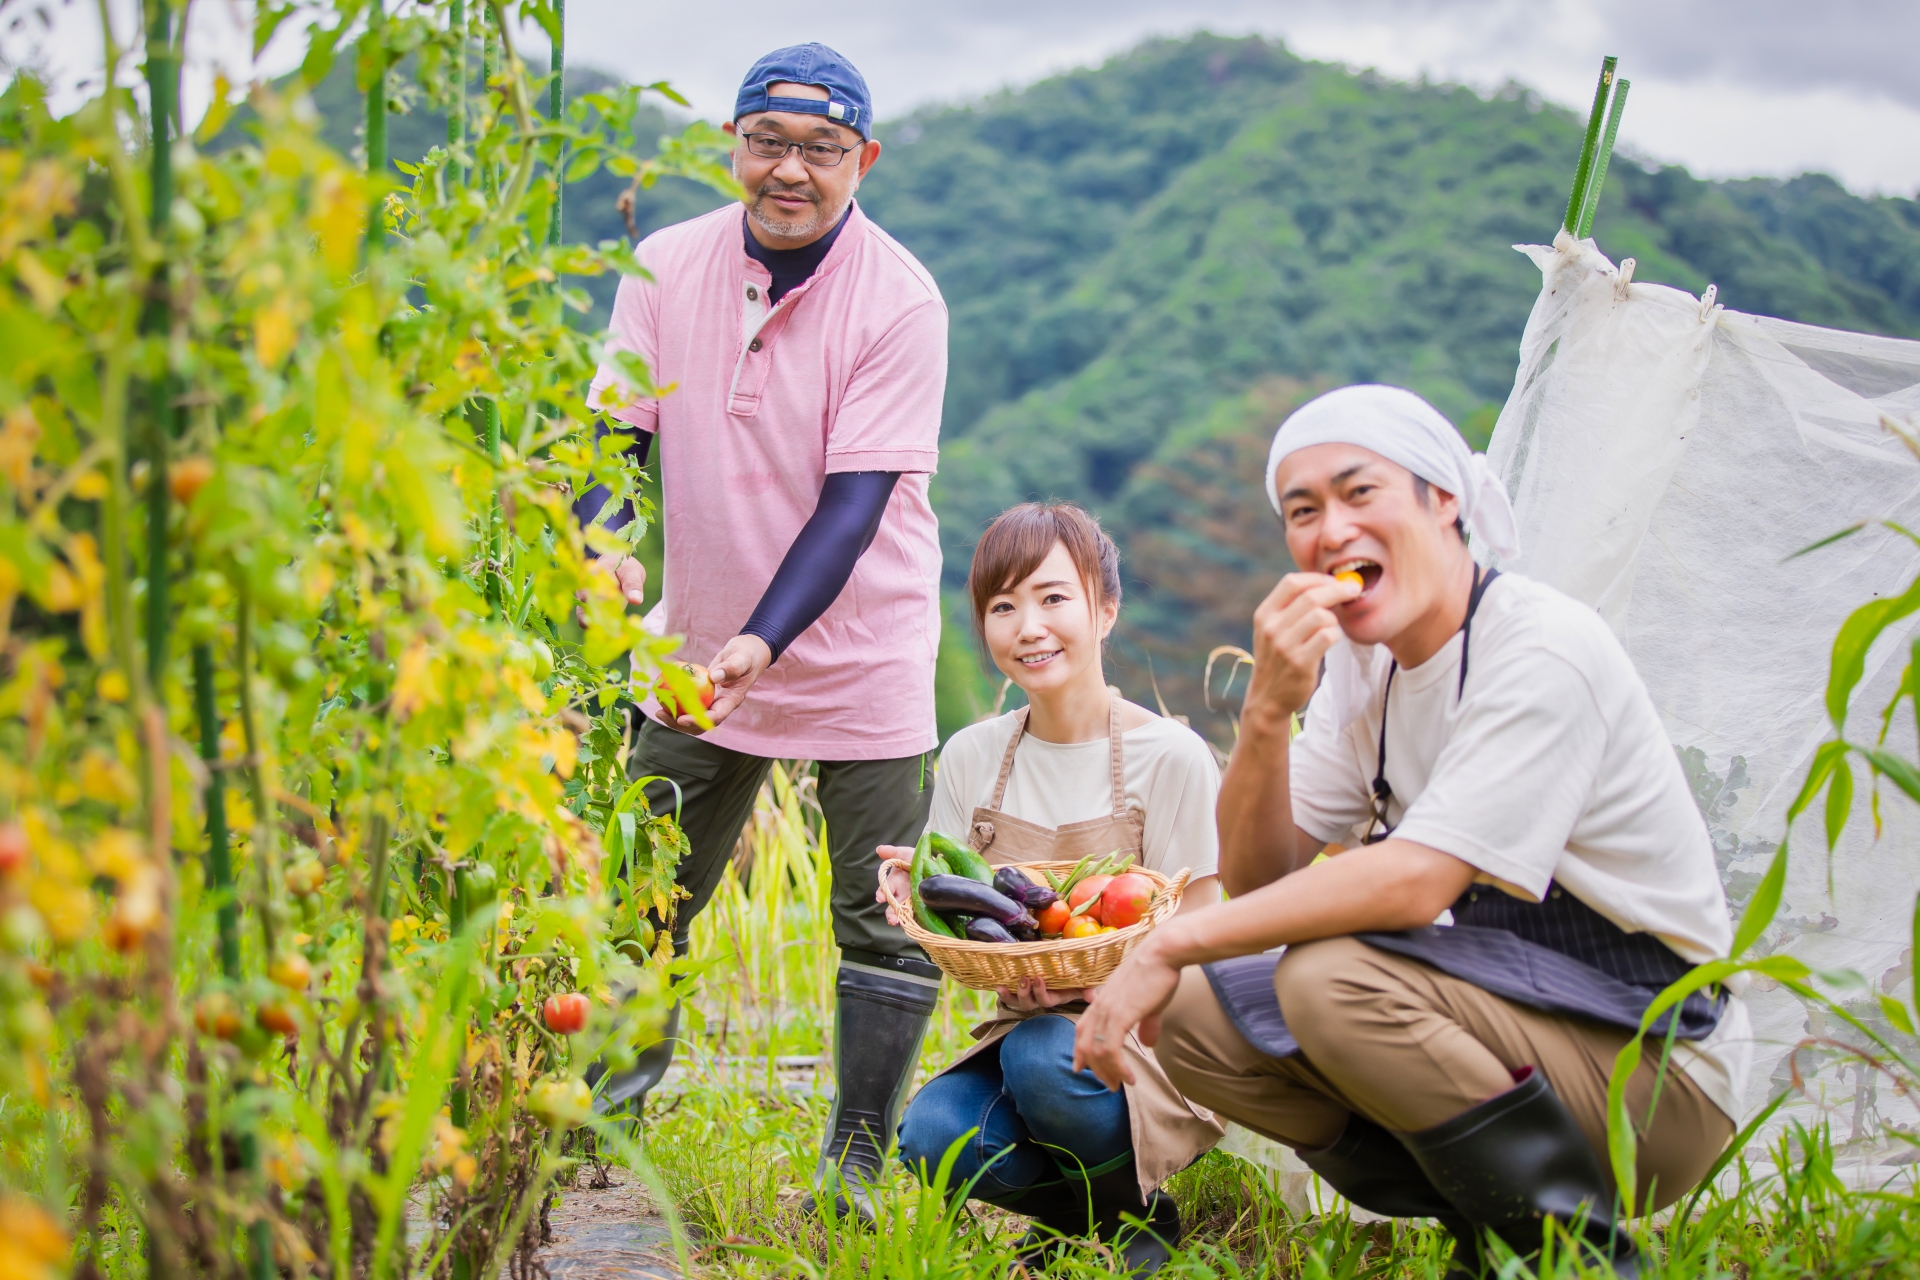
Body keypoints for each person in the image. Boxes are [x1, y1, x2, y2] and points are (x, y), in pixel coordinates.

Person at [1070, 386, 1751, 1277]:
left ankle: (1575, 1254)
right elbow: (1260, 880)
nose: (1331, 529)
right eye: (1303, 511)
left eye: (1361, 494)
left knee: (1327, 979)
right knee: (1198, 1011)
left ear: (1445, 501)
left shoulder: (1541, 649)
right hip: (1516, 1017)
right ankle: (1487, 1216)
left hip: (1655, 1070)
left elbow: (1416, 882)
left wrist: (1168, 941)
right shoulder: (1367, 668)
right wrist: (1270, 712)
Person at [580, 43, 949, 1220]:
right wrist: (597, 540)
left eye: (822, 151)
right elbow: (611, 442)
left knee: (879, 916)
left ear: (864, 161)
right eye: (769, 144)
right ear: (734, 146)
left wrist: (764, 640)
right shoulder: (665, 262)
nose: (791, 171)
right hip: (695, 643)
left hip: (859, 642)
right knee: (650, 888)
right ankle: (604, 1128)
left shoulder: (901, 298)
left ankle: (853, 1156)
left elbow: (856, 505)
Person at [879, 503, 1223, 1273]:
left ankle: (1135, 1218)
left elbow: (1203, 936)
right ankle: (1092, 1218)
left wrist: (1113, 998)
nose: (1028, 626)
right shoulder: (972, 757)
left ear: (1105, 610)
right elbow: (967, 935)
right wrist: (916, 894)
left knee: (1044, 1055)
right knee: (932, 1137)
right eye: (1003, 607)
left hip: (1155, 1044)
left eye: (1053, 598)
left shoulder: (1171, 757)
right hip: (1023, 1030)